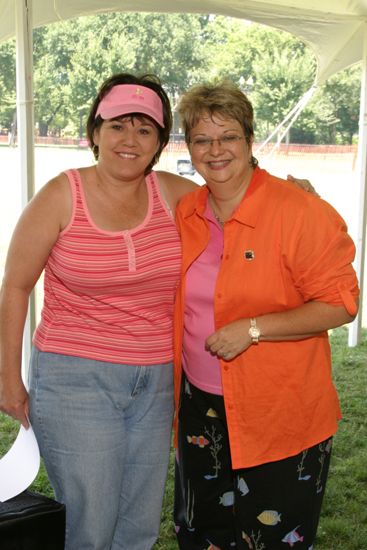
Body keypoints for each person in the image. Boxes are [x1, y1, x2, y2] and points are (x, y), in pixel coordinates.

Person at [0, 72, 197, 550]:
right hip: (75, 381)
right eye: (117, 126)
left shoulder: (173, 194)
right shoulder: (60, 196)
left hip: (154, 383)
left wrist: (296, 191)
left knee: (138, 525)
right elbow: (15, 287)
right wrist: (8, 378)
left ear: (159, 142)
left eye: (145, 129)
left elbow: (241, 203)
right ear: (94, 132)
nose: (130, 140)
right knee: (91, 525)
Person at [172, 80, 359, 550]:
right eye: (201, 139)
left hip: (280, 414)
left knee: (272, 539)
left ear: (250, 140)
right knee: (204, 536)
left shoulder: (298, 212)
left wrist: (254, 330)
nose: (215, 150)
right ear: (188, 148)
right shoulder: (188, 211)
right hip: (201, 411)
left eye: (228, 136)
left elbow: (341, 302)